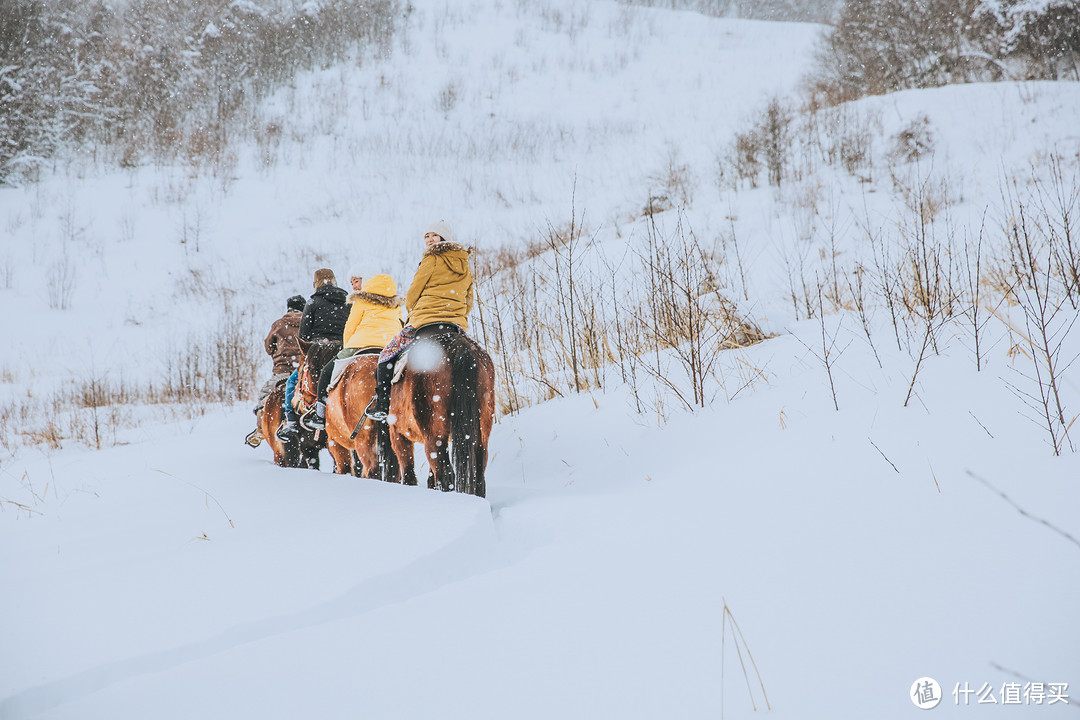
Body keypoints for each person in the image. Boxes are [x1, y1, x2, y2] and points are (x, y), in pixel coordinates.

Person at [365, 220, 473, 422]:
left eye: (434, 235)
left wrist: (414, 312)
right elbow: (469, 300)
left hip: (425, 322)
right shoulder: (464, 263)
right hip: (455, 325)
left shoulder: (431, 259)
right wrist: (455, 314)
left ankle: (382, 404)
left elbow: (413, 293)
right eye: (427, 236)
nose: (430, 239)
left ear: (443, 238)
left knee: (386, 355)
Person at [304, 273, 404, 430]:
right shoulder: (396, 306)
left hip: (360, 345)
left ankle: (320, 415)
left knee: (326, 372)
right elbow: (399, 327)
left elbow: (350, 327)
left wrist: (347, 347)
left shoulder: (361, 301)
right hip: (387, 347)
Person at [277, 269, 351, 440]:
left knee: (293, 382)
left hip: (319, 350)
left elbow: (303, 335)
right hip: (342, 350)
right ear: (334, 281)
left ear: (316, 283)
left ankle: (291, 423)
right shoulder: (348, 301)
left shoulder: (313, 302)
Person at [245, 294, 305, 447]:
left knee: (264, 397)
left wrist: (279, 354)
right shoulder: (308, 322)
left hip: (282, 372)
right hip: (303, 370)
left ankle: (260, 429)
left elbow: (268, 347)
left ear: (289, 308)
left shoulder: (279, 324)